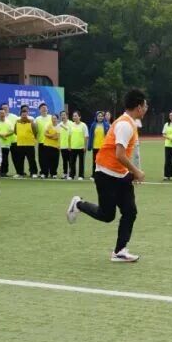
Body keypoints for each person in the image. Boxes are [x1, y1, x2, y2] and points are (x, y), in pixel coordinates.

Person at [66, 90, 148, 262]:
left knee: (130, 211)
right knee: (107, 215)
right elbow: (119, 154)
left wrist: (129, 173)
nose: (146, 108)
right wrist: (136, 172)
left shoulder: (129, 123)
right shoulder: (125, 125)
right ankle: (78, 204)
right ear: (139, 107)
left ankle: (119, 251)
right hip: (105, 173)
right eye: (145, 105)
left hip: (120, 174)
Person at [12, 105, 39, 178]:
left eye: (25, 114)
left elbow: (35, 132)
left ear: (27, 114)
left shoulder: (31, 122)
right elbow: (15, 132)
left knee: (31, 160)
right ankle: (20, 173)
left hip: (30, 144)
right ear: (20, 115)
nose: (24, 116)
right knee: (20, 159)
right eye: (23, 115)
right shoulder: (17, 122)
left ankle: (33, 173)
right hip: (20, 144)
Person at [0, 104, 15, 177]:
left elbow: (12, 131)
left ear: (5, 114)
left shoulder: (9, 122)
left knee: (5, 159)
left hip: (6, 144)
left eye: (3, 113)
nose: (2, 114)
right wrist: (1, 135)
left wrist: (6, 135)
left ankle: (4, 172)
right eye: (0, 113)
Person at [68, 111, 89, 181]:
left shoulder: (83, 125)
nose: (74, 117)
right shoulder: (71, 125)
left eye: (76, 116)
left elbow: (86, 136)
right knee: (72, 162)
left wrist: (85, 146)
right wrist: (69, 145)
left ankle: (81, 175)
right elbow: (69, 136)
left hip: (81, 147)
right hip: (73, 147)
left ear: (79, 117)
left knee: (81, 162)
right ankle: (72, 175)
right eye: (73, 116)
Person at [57, 111, 73, 179]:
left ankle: (71, 174)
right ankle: (65, 173)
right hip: (62, 146)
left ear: (67, 116)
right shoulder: (59, 124)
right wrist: (59, 144)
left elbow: (71, 133)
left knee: (70, 160)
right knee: (64, 161)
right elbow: (58, 135)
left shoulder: (71, 123)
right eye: (62, 115)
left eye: (64, 115)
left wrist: (70, 145)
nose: (63, 116)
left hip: (70, 146)